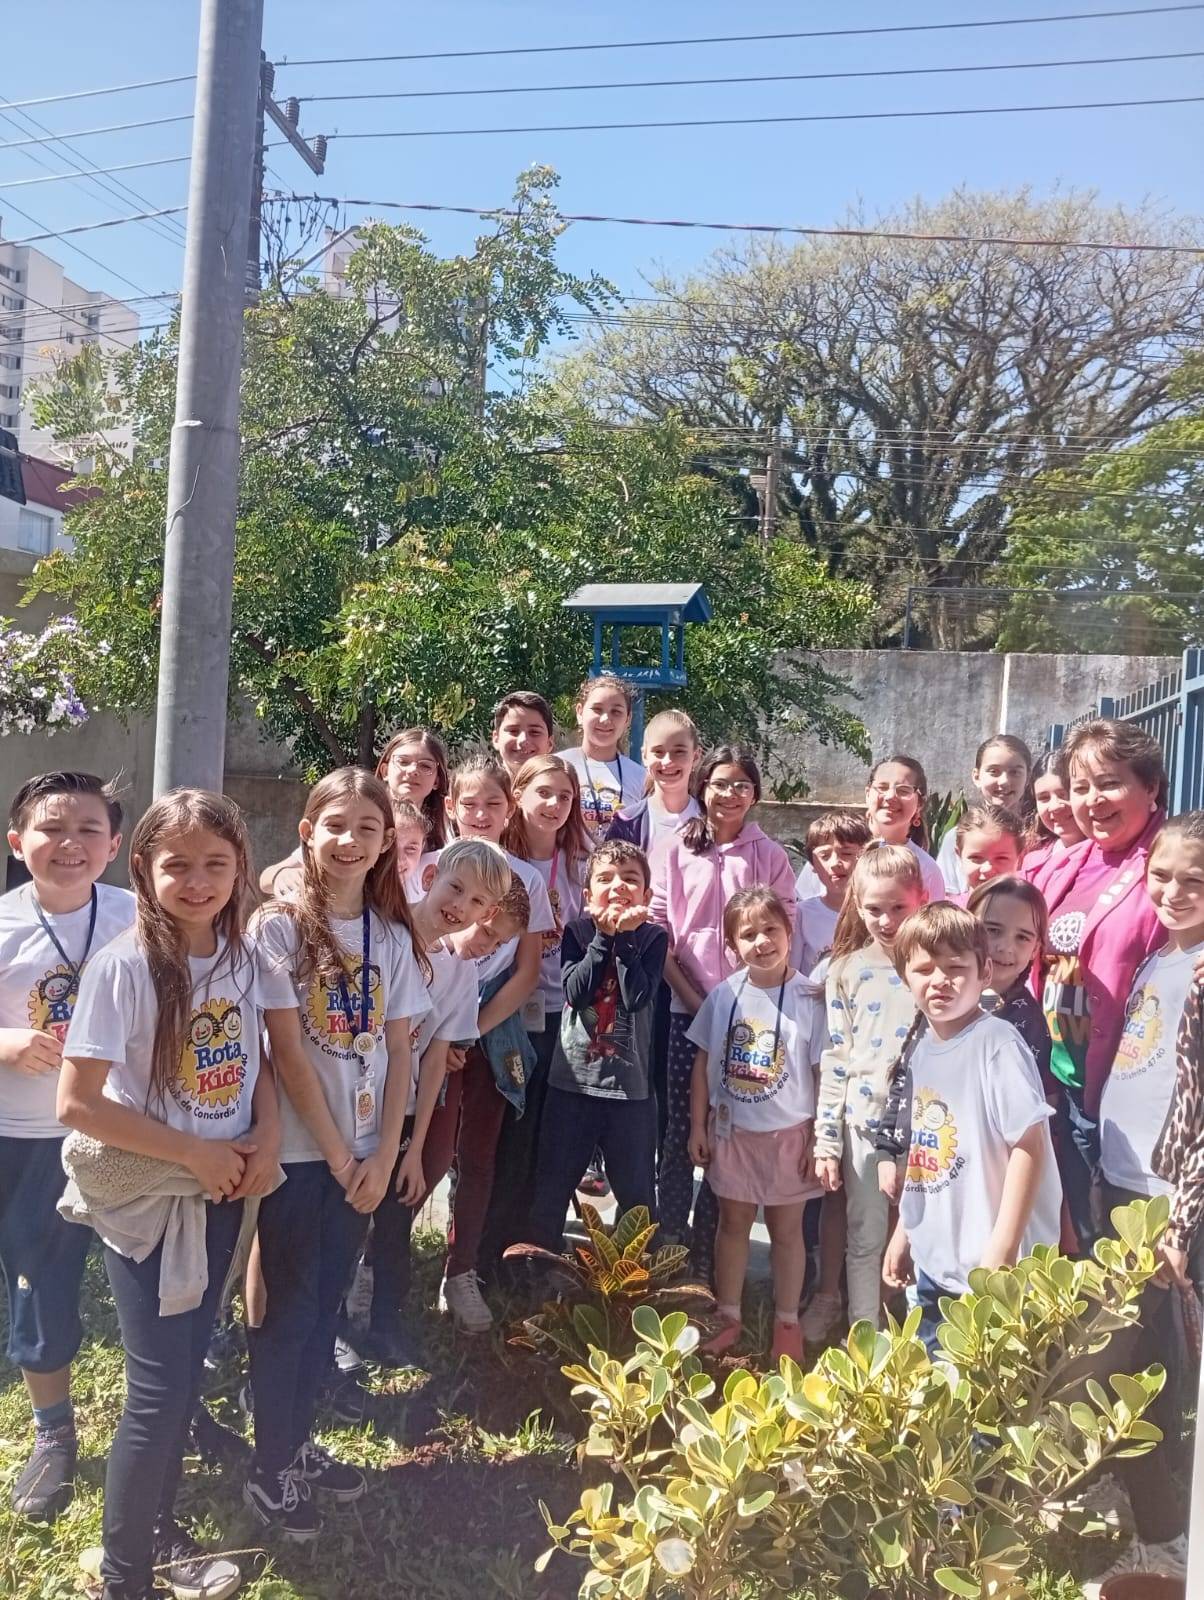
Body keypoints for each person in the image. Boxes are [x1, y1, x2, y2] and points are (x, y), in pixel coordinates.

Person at [59, 789, 278, 1600]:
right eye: (177, 865)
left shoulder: (242, 957)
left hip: (222, 1189)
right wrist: (193, 1151)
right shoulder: (124, 966)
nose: (197, 881)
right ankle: (126, 1578)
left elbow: (256, 1059)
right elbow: (76, 1103)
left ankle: (157, 1527)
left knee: (185, 1378)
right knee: (156, 1392)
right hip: (154, 1198)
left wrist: (265, 1135)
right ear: (142, 867)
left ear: (240, 867)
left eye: (215, 864)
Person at [247, 768, 431, 1541]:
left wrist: (383, 1156)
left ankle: (295, 1444)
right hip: (299, 1154)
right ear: (306, 832)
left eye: (367, 827)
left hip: (362, 1159)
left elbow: (401, 1050)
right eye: (336, 824)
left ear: (388, 842)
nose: (350, 840)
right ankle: (269, 1466)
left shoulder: (391, 936)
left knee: (325, 1305)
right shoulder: (278, 929)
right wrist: (337, 1154)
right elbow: (287, 1054)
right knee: (288, 1307)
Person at [0, 772, 134, 1522]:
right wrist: (6, 1043)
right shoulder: (3, 923)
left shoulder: (137, 915)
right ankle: (53, 1433)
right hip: (27, 1141)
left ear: (113, 847)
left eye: (89, 829)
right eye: (52, 828)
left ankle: (169, 1412)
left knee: (148, 1282)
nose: (70, 843)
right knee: (40, 1285)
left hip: (123, 1130)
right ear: (18, 843)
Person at [1090, 811, 1204, 1585]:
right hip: (1126, 1189)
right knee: (1139, 1369)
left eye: (1194, 880)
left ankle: (1166, 1538)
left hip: (1168, 1207)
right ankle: (1148, 1508)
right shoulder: (1163, 955)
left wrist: (1181, 1219)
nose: (1173, 891)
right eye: (1162, 875)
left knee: (1134, 1372)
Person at [880, 904, 1062, 1355]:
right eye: (924, 969)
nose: (940, 980)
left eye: (955, 968)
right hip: (938, 1267)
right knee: (940, 1387)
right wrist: (906, 1231)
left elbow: (1029, 1145)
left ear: (984, 973)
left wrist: (1003, 1249)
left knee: (994, 1393)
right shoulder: (923, 1048)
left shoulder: (996, 1044)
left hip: (994, 1272)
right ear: (905, 977)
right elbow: (926, 1153)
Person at [363, 839, 510, 1366]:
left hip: (400, 1113)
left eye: (476, 902)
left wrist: (416, 1151)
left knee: (394, 1228)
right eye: (455, 888)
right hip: (348, 1104)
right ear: (430, 879)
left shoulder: (459, 970)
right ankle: (334, 1329)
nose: (460, 906)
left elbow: (434, 1062)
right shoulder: (378, 931)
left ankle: (385, 1328)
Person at [650, 744, 796, 1268]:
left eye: (741, 785)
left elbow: (785, 930)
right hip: (685, 1009)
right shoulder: (675, 849)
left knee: (724, 1130)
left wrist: (747, 1002)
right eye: (720, 783)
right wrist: (695, 1000)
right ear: (702, 788)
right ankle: (671, 1240)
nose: (730, 794)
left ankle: (711, 1250)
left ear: (754, 794)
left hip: (746, 1019)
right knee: (679, 1128)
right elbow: (660, 931)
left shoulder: (770, 856)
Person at [1040, 718, 1167, 1251]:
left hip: (1123, 1091)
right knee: (1067, 1246)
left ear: (1151, 786)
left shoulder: (1171, 863)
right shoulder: (1066, 863)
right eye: (1080, 787)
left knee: (1121, 1251)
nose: (1092, 801)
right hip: (1056, 1082)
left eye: (1109, 783)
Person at [438, 756, 554, 1330]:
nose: (481, 814)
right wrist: (439, 1034)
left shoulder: (528, 880)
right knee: (423, 1154)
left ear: (510, 810)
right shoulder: (431, 868)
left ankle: (461, 1270)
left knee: (479, 1155)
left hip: (486, 1032)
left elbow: (526, 972)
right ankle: (373, 1265)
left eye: (493, 804)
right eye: (470, 803)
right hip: (425, 1033)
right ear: (450, 807)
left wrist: (471, 1031)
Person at [688, 887, 824, 1364]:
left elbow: (822, 1073)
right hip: (733, 1134)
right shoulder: (724, 995)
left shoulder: (810, 997)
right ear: (732, 945)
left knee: (787, 1232)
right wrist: (698, 1126)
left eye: (771, 929)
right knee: (733, 1225)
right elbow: (702, 1062)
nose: (762, 941)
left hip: (790, 1138)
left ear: (789, 931)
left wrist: (819, 1137)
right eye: (748, 934)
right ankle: (728, 1314)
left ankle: (786, 1320)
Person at [526, 841, 668, 1248]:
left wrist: (626, 938)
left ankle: (637, 1275)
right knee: (552, 1185)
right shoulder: (577, 932)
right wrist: (604, 937)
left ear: (646, 895)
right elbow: (577, 992)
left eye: (630, 879)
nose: (618, 886)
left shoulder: (654, 938)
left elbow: (636, 996)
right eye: (605, 879)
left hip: (630, 1092)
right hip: (571, 1087)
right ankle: (540, 1266)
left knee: (637, 1194)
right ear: (588, 895)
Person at [483, 755, 593, 1273]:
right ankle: (489, 1255)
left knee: (549, 1145)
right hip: (505, 1016)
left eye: (564, 796)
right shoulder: (496, 862)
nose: (553, 804)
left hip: (563, 1019)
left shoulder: (581, 863)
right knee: (507, 1141)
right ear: (518, 796)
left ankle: (536, 1255)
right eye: (543, 793)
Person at [813, 845, 924, 1330]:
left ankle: (922, 1338)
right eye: (874, 908)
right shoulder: (845, 970)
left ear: (921, 898)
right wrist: (826, 1141)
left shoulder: (936, 964)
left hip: (925, 1129)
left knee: (923, 1233)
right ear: (857, 906)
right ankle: (866, 1339)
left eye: (899, 907)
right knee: (864, 1237)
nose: (886, 920)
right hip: (863, 1125)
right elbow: (837, 1056)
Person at [258, 726, 450, 901]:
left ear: (437, 780)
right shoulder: (353, 818)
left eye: (425, 766)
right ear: (385, 770)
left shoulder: (446, 841)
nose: (413, 770)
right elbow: (268, 876)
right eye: (403, 762)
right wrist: (281, 876)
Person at [936, 736, 1034, 893]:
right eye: (994, 771)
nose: (1004, 781)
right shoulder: (956, 837)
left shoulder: (1037, 840)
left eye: (1015, 772)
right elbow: (946, 894)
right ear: (976, 776)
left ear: (1028, 777)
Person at [559, 673, 646, 835]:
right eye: (597, 710)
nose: (605, 719)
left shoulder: (641, 777)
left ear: (627, 719)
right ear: (580, 712)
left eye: (616, 712)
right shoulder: (558, 765)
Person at [606, 708, 703, 850]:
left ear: (695, 756)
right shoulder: (626, 823)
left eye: (679, 751)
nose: (667, 761)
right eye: (658, 752)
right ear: (645, 756)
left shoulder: (712, 822)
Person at [794, 812, 872, 973]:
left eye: (847, 854)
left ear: (866, 857)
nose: (835, 863)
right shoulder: (801, 914)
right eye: (824, 856)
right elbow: (793, 973)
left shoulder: (877, 912)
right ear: (812, 865)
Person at [860, 755, 945, 901]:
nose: (890, 796)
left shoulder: (926, 868)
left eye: (903, 790)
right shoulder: (840, 851)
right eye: (882, 787)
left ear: (920, 803)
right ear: (868, 794)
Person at [1024, 750, 1086, 897]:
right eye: (1044, 798)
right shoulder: (1031, 862)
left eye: (1064, 794)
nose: (1055, 806)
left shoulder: (1107, 857)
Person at [946, 804, 1026, 902]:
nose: (987, 869)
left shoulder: (1032, 909)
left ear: (1020, 858)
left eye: (1001, 858)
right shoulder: (951, 910)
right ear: (959, 856)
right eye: (976, 857)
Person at [490, 690, 555, 776]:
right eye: (513, 731)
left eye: (534, 732)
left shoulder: (566, 783)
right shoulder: (479, 784)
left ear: (549, 743)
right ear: (496, 739)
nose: (523, 740)